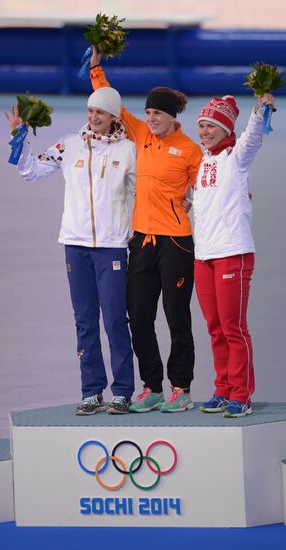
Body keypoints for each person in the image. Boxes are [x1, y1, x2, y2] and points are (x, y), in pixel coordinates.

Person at [4, 87, 136, 415]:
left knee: (116, 320)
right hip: (75, 246)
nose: (93, 118)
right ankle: (92, 390)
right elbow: (32, 171)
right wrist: (21, 140)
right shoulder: (69, 144)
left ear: (114, 116)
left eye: (101, 113)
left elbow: (149, 189)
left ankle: (122, 391)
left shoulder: (129, 151)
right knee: (84, 321)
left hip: (111, 248)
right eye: (91, 111)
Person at [89, 49, 202, 413]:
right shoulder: (141, 135)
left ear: (172, 117)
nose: (151, 118)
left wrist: (193, 199)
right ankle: (152, 386)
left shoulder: (189, 150)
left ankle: (180, 388)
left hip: (176, 243)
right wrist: (96, 69)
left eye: (158, 114)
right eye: (149, 112)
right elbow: (114, 105)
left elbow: (207, 185)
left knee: (176, 316)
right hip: (141, 240)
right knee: (138, 316)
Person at [192, 93, 276, 417]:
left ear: (226, 129)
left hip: (233, 254)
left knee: (233, 327)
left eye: (211, 125)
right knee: (214, 327)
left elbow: (253, 137)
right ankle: (223, 389)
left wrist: (260, 109)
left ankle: (242, 394)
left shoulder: (236, 157)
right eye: (201, 125)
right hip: (204, 257)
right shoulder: (204, 163)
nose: (204, 131)